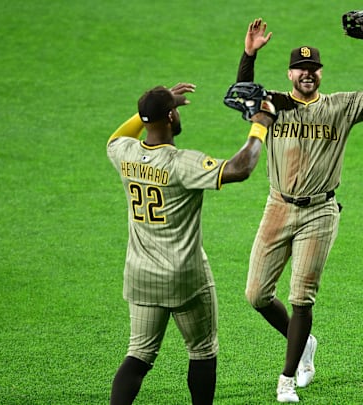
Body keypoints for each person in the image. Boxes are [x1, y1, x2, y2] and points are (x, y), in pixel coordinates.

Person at [236, 18, 363, 403]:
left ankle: (288, 377)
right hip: (277, 207)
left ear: (320, 73)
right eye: (300, 68)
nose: (307, 74)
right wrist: (249, 55)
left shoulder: (340, 106)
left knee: (301, 298)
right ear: (290, 73)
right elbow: (242, 92)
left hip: (320, 213)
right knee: (256, 295)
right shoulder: (274, 104)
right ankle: (304, 343)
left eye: (313, 69)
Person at [106, 82, 275, 405]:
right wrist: (260, 125)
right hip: (185, 278)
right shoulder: (181, 163)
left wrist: (152, 109)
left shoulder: (124, 153)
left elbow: (118, 136)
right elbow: (240, 169)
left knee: (138, 355)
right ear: (171, 116)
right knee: (202, 351)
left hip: (141, 276)